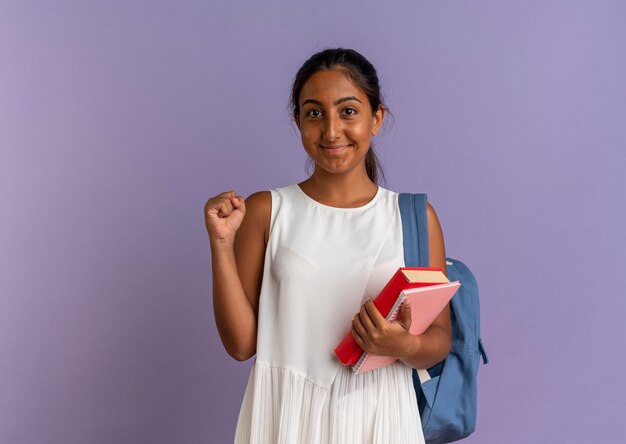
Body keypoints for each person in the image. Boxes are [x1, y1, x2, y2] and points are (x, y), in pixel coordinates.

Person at [204, 48, 452, 444]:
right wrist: (221, 244)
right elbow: (240, 345)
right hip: (286, 418)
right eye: (314, 113)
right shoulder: (268, 210)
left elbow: (440, 338)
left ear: (377, 118)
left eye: (348, 111)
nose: (332, 130)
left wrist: (404, 344)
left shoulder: (414, 218)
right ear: (298, 121)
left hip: (379, 417)